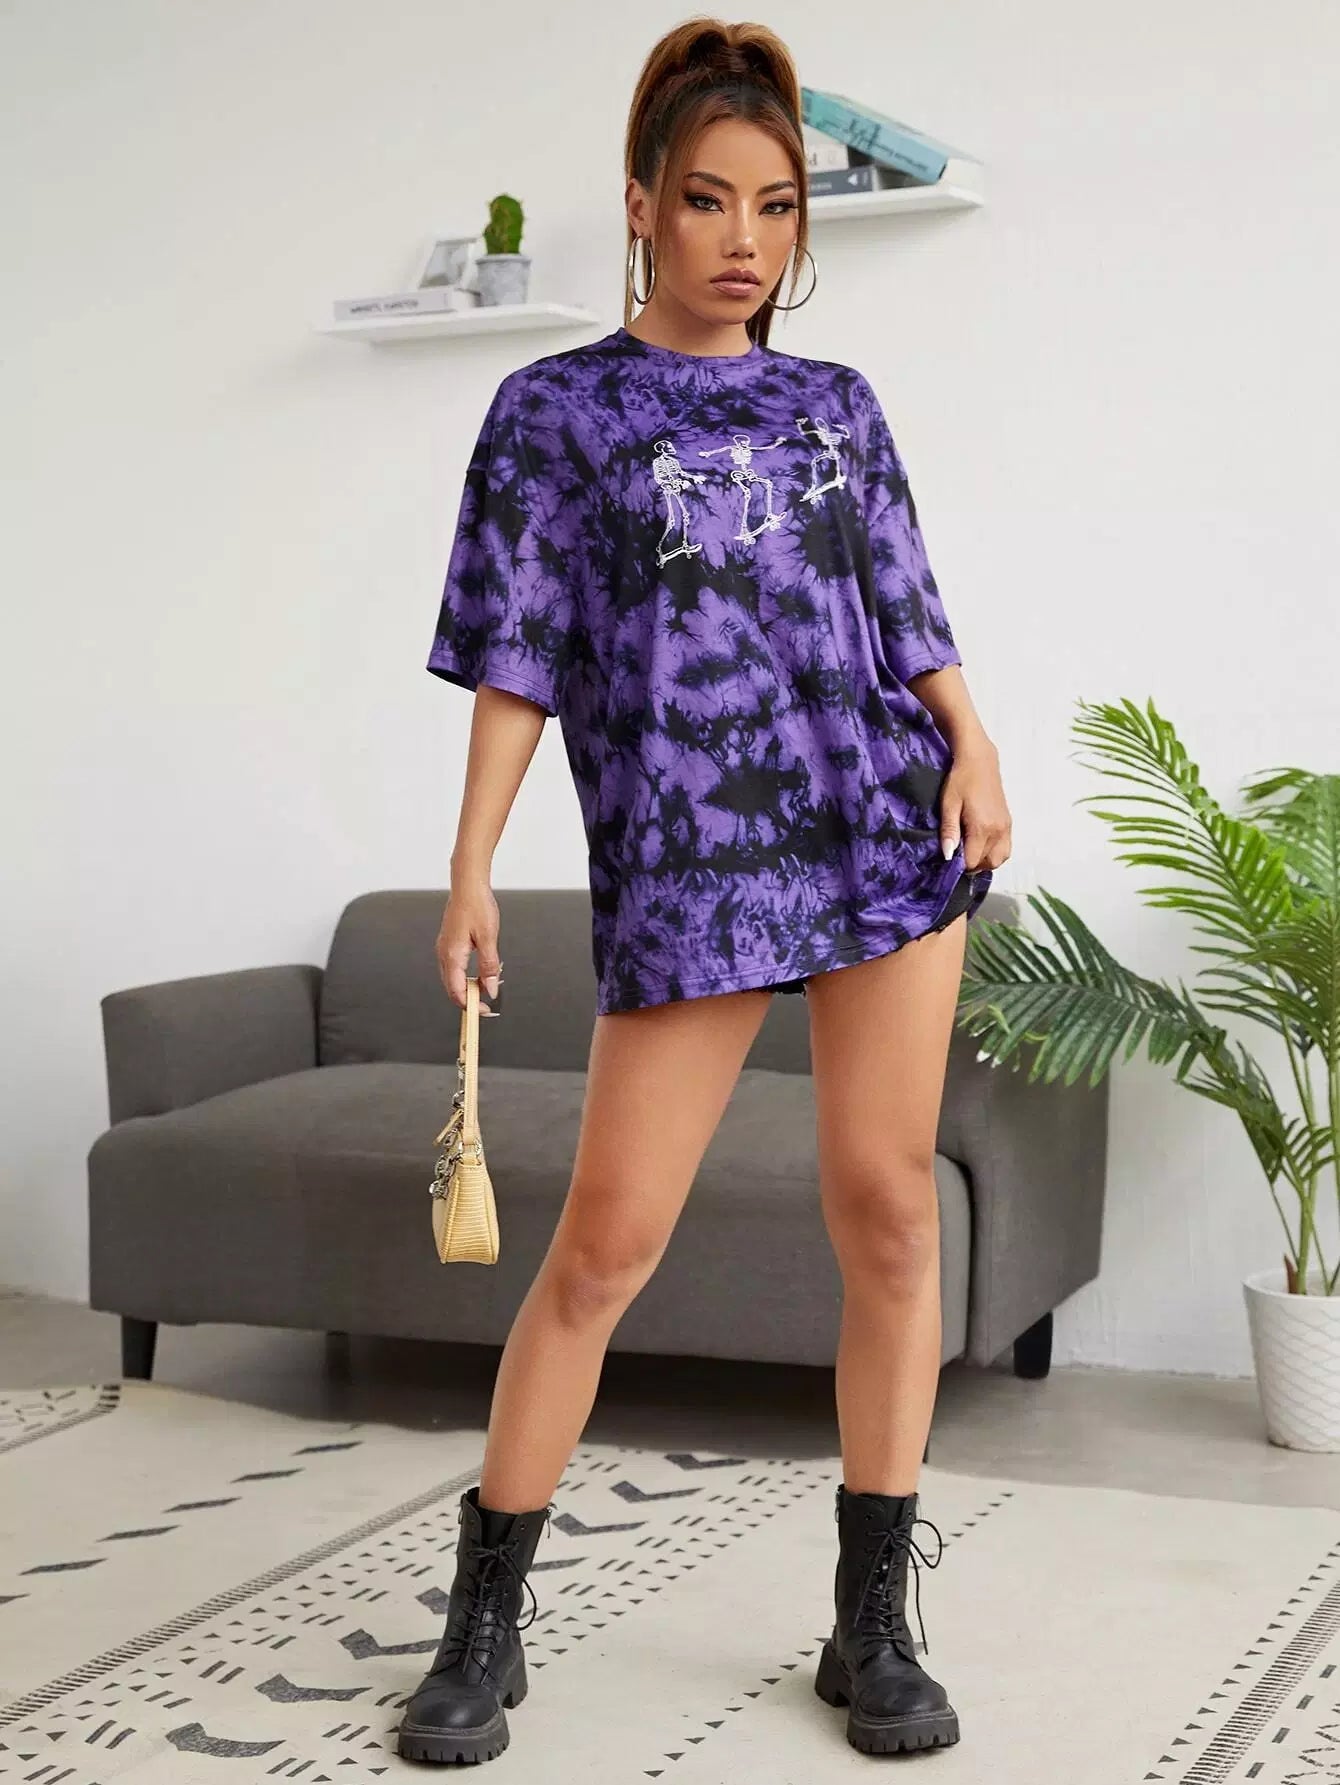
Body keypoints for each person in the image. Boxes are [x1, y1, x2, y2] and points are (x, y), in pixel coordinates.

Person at [396, 16, 1012, 1768]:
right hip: (693, 856)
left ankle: (872, 1621)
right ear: (642, 206)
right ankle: (484, 1622)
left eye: (777, 205)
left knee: (890, 1217)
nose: (747, 237)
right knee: (606, 1245)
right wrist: (473, 866)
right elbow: (515, 658)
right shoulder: (555, 414)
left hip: (882, 831)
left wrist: (973, 744)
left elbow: (906, 606)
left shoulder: (839, 405)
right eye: (708, 200)